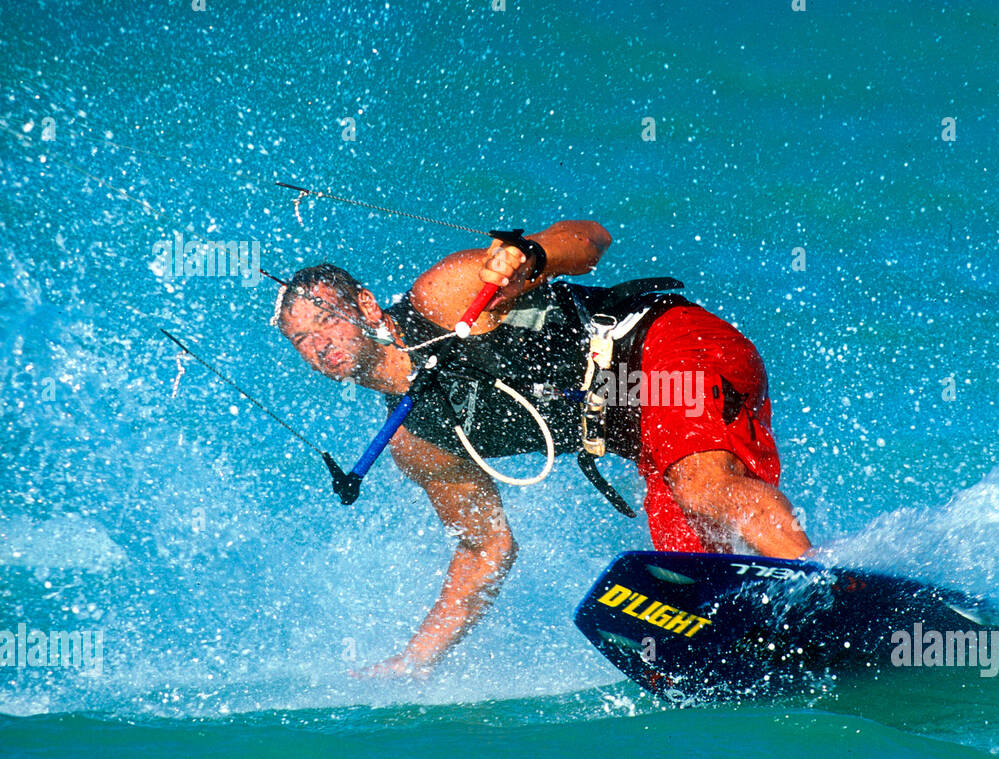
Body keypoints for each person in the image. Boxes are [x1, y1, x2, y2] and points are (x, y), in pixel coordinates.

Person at [273, 220, 811, 673]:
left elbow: (590, 239)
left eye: (326, 320)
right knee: (696, 584)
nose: (319, 344)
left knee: (703, 490)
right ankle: (794, 642)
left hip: (670, 349)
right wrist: (413, 663)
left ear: (365, 306)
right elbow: (485, 551)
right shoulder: (417, 442)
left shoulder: (445, 295)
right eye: (300, 340)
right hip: (648, 433)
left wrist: (531, 254)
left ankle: (824, 589)